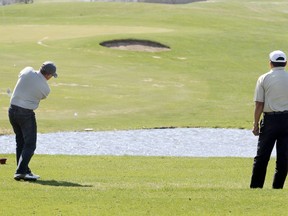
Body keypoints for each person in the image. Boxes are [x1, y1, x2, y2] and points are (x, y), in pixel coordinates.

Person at [8, 61, 58, 181]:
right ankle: (20, 172)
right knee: (30, 144)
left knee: (20, 142)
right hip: (25, 114)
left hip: (11, 111)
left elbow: (21, 77)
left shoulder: (27, 70)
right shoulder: (46, 89)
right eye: (51, 76)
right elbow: (40, 96)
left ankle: (25, 171)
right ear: (48, 75)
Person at [250, 50, 288, 189]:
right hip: (287, 121)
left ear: (270, 63)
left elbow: (259, 104)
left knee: (262, 156)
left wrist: (255, 124)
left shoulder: (264, 78)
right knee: (284, 157)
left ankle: (256, 187)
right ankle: (277, 187)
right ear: (285, 63)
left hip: (270, 121)